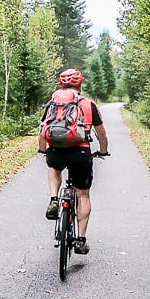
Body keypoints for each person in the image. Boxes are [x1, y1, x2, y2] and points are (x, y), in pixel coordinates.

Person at [42, 68, 108, 255]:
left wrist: (43, 148)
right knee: (83, 195)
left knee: (54, 167)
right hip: (81, 151)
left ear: (60, 84)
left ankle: (54, 199)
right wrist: (103, 151)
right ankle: (80, 240)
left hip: (56, 149)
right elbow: (101, 134)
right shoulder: (88, 104)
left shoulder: (52, 103)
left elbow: (43, 129)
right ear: (80, 83)